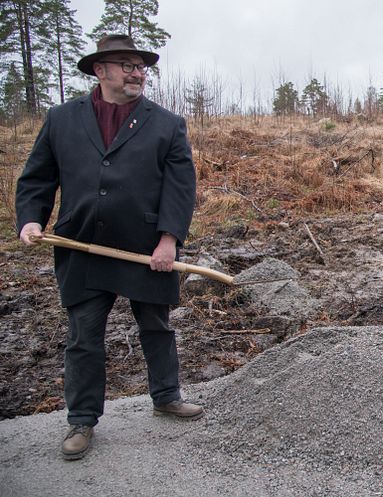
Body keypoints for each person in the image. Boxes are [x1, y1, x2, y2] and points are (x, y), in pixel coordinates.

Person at [15, 34, 201, 460]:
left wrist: (169, 240)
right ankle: (81, 420)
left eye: (141, 67)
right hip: (81, 244)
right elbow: (38, 177)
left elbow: (179, 187)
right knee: (83, 337)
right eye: (127, 65)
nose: (137, 73)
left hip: (145, 247)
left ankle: (167, 395)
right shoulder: (62, 118)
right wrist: (31, 219)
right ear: (100, 71)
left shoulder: (166, 123)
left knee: (156, 326)